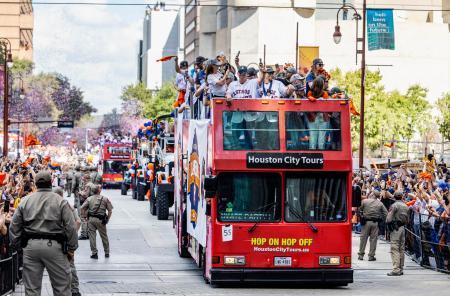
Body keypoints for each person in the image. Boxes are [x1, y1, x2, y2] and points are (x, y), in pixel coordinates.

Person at [9, 171, 78, 295]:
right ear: (51, 182)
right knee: (62, 288)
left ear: (35, 183)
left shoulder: (25, 201)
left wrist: (19, 246)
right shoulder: (60, 201)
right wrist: (71, 248)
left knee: (32, 290)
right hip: (55, 247)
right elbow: (71, 227)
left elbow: (14, 227)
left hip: (31, 247)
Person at [54, 187, 81, 296]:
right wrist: (73, 234)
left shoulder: (54, 206)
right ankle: (74, 290)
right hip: (68, 240)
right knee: (70, 265)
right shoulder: (68, 206)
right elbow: (78, 221)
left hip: (56, 241)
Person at [80, 184, 113, 259]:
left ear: (92, 191)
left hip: (91, 219)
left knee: (92, 237)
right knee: (104, 236)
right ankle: (106, 252)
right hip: (101, 220)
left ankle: (94, 253)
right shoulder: (105, 199)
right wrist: (107, 219)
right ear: (99, 190)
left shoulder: (89, 199)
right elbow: (110, 210)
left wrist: (84, 216)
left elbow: (82, 208)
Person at [358, 190, 388, 261]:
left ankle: (361, 255)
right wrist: (381, 219)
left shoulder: (365, 201)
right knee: (373, 240)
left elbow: (358, 209)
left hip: (365, 222)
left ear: (373, 194)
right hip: (375, 223)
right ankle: (371, 256)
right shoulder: (380, 203)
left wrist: (361, 215)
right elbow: (386, 213)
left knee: (363, 239)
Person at [386, 191, 410, 276]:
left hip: (395, 228)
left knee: (394, 247)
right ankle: (401, 268)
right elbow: (408, 220)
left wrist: (389, 224)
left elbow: (388, 219)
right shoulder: (406, 206)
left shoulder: (394, 205)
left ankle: (396, 269)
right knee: (401, 248)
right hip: (403, 228)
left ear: (394, 197)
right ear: (402, 197)